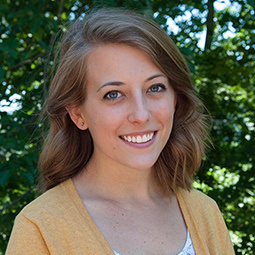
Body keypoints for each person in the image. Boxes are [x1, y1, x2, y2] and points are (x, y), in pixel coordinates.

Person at [6, 8, 235, 255]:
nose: (141, 114)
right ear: (77, 114)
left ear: (176, 99)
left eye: (155, 88)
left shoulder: (205, 213)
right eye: (113, 94)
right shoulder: (41, 227)